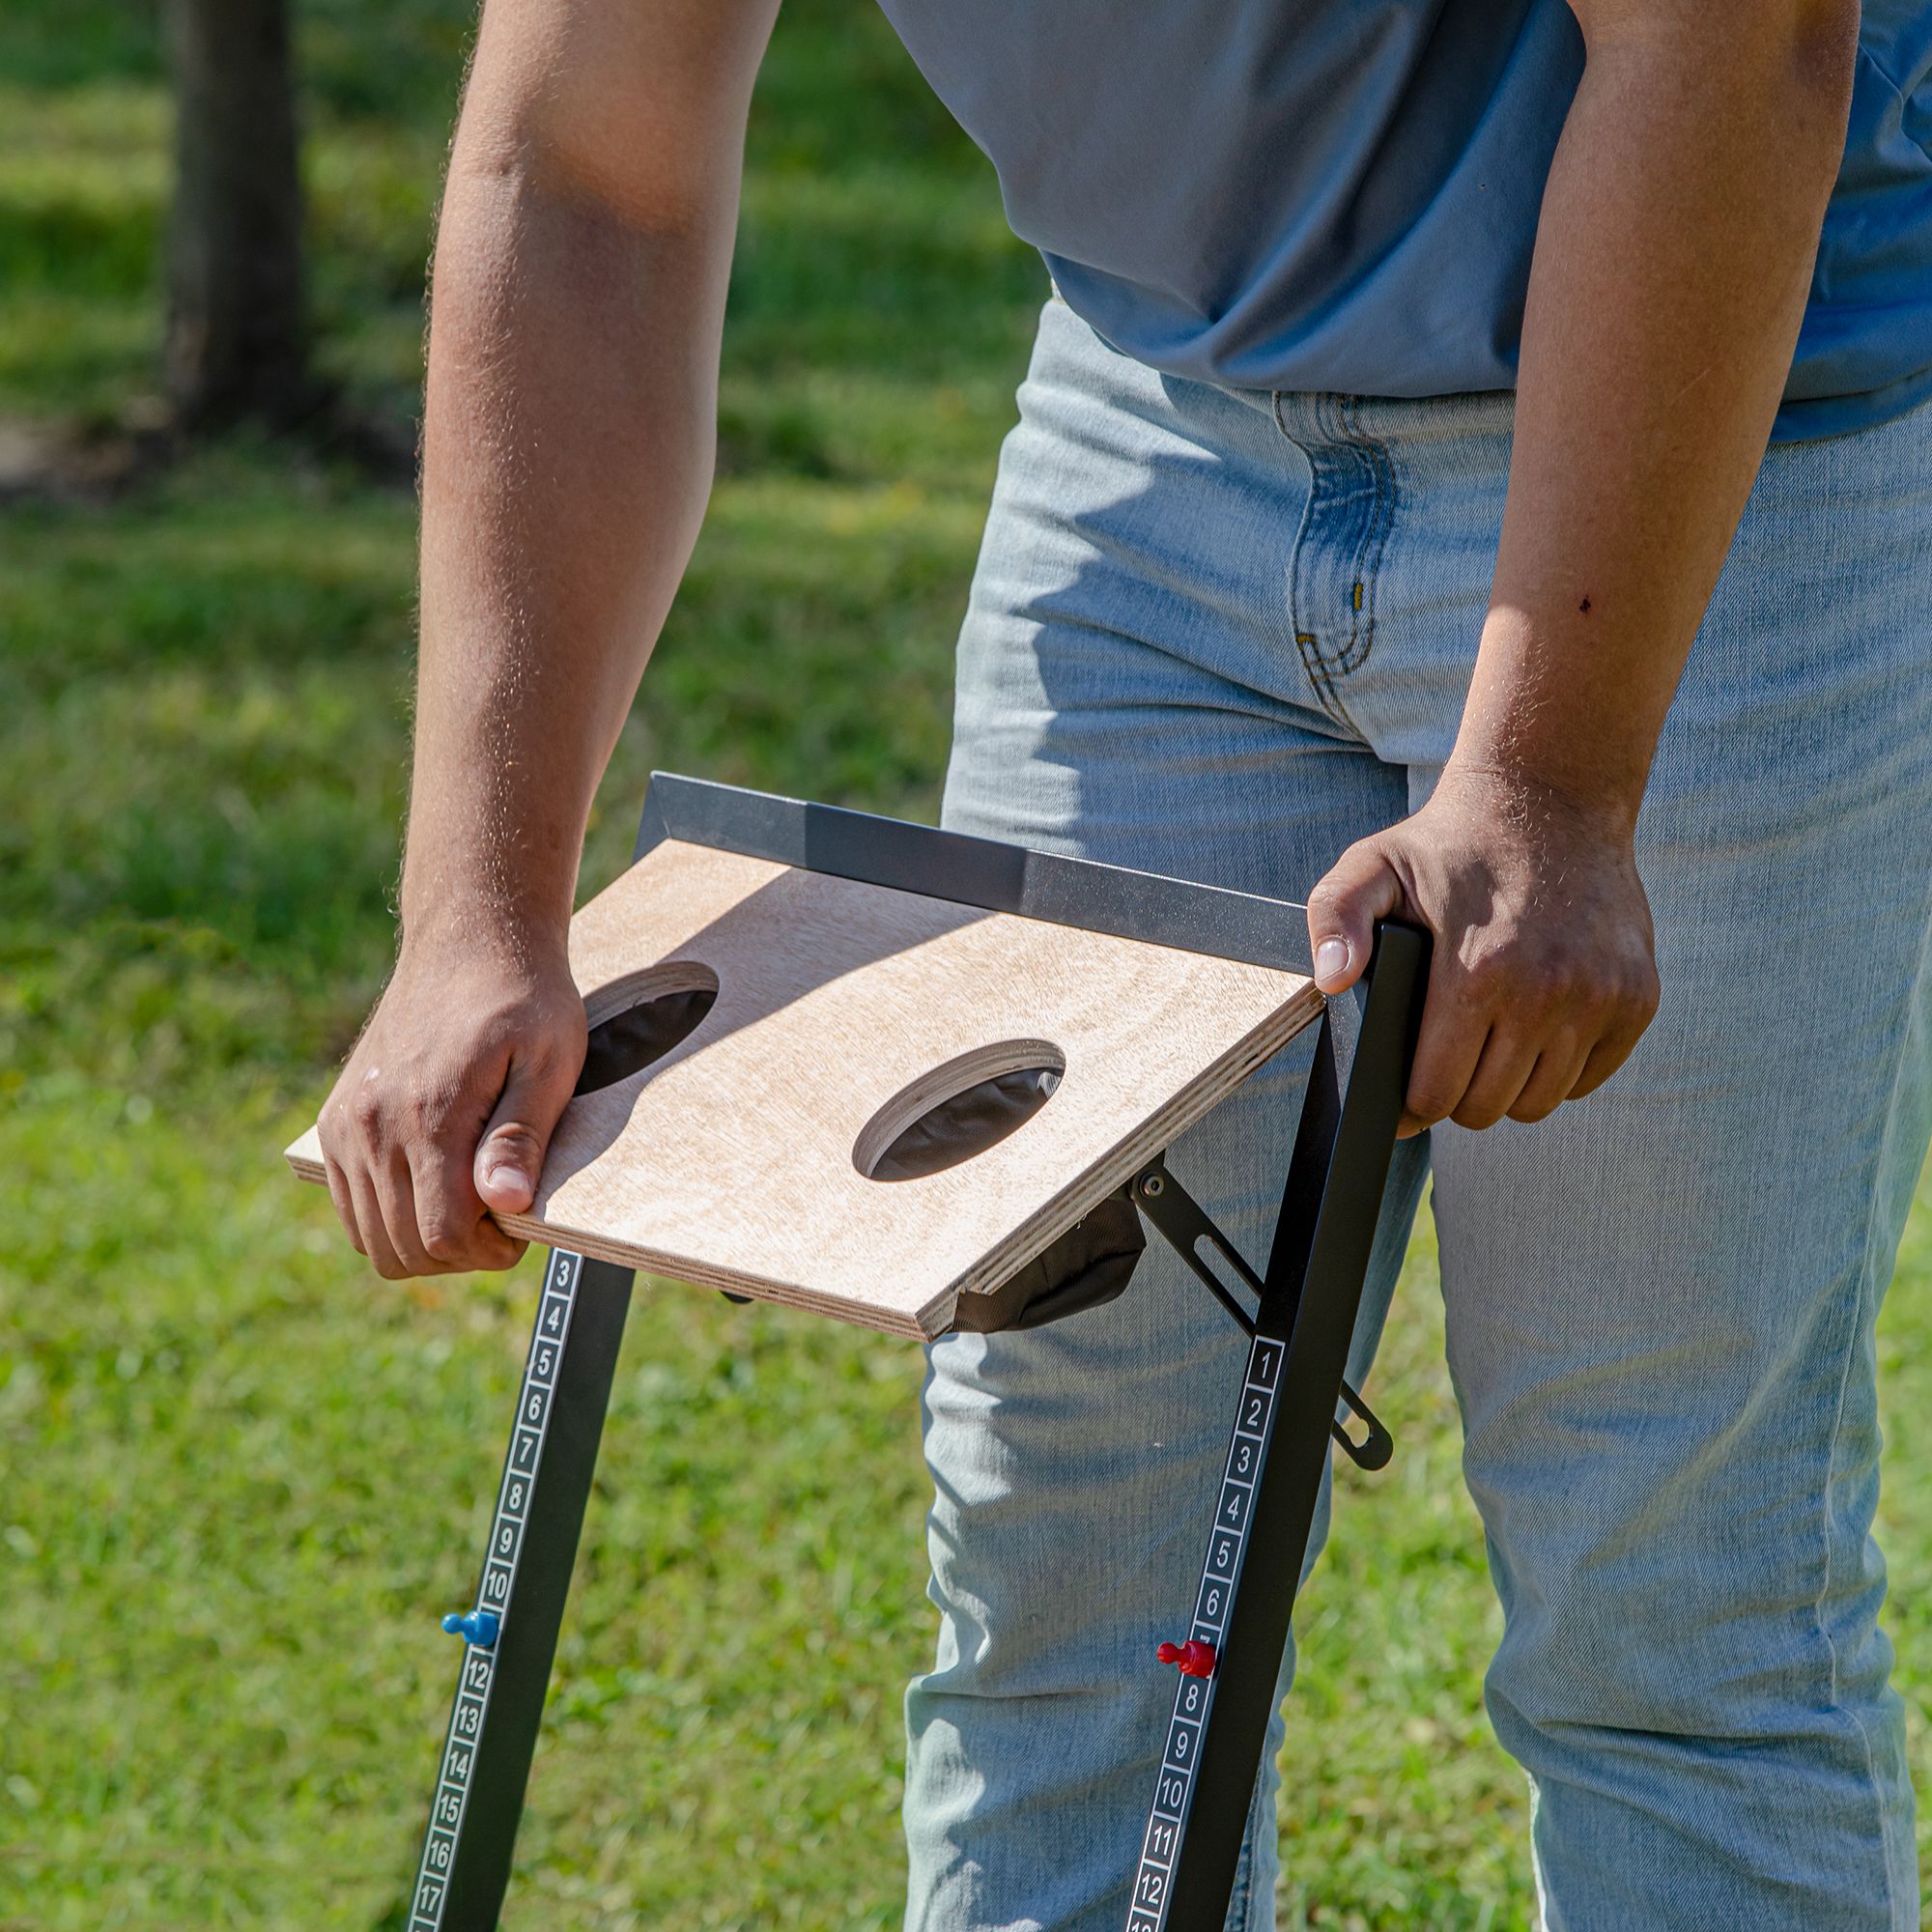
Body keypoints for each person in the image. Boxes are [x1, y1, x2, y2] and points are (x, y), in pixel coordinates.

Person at [316, 0, 1932, 1923]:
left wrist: (1556, 772)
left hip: (1725, 428)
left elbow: (1730, 50)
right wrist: (476, 909)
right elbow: (582, 164)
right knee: (1065, 1588)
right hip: (1156, 422)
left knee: (1665, 1604)